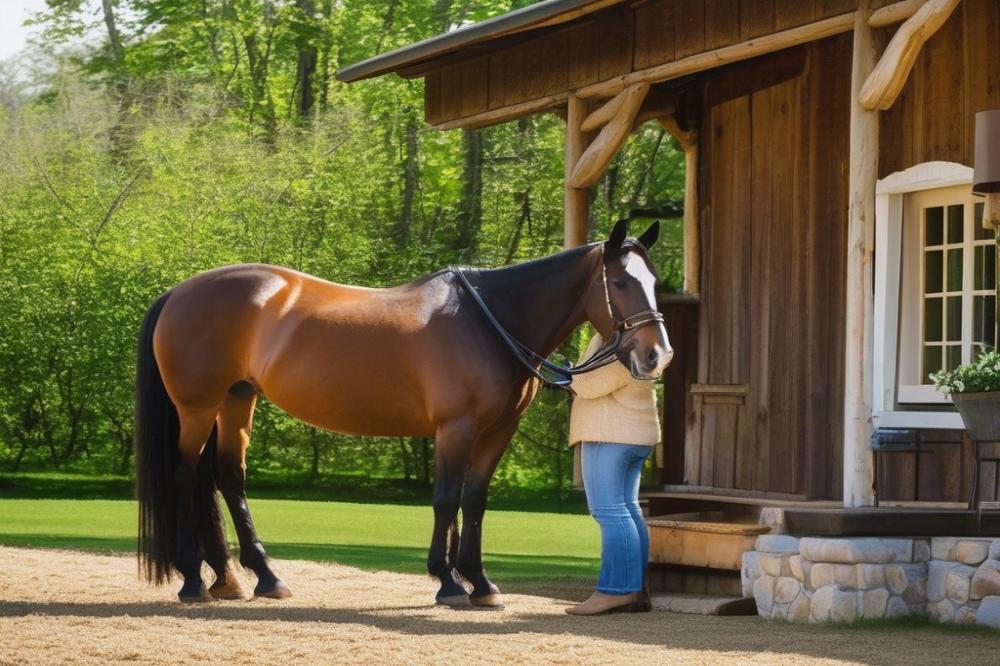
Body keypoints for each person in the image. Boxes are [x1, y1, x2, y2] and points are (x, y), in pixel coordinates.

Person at [566, 332, 661, 615]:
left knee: (609, 511)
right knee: (627, 510)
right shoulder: (653, 338)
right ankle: (634, 590)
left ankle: (615, 591)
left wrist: (571, 372)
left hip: (610, 433)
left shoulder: (626, 341)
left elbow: (586, 384)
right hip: (634, 435)